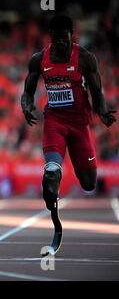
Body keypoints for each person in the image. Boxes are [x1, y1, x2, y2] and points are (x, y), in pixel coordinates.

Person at [21, 15, 116, 254]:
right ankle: (51, 187)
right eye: (57, 38)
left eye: (65, 38)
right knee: (52, 169)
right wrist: (26, 105)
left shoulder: (84, 58)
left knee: (89, 183)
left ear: (71, 35)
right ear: (51, 36)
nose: (61, 42)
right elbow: (27, 90)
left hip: (80, 125)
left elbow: (97, 90)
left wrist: (102, 112)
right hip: (54, 121)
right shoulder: (39, 60)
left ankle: (54, 180)